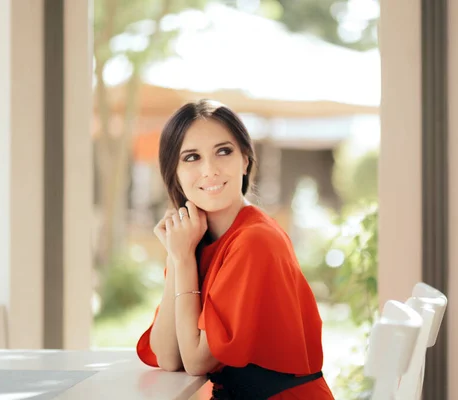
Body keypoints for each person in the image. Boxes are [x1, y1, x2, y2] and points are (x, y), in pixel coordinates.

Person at [136, 99, 335, 400]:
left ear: (245, 159)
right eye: (191, 157)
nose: (210, 170)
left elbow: (197, 361)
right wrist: (179, 256)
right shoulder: (195, 240)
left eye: (223, 151)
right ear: (173, 172)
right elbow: (168, 356)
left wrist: (183, 260)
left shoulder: (255, 240)